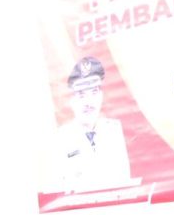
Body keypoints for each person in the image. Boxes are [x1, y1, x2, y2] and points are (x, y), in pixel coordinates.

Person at [49, 55, 133, 192]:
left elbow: (124, 181)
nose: (89, 102)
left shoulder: (114, 130)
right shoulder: (61, 138)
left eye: (94, 92)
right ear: (71, 100)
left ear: (101, 96)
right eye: (82, 95)